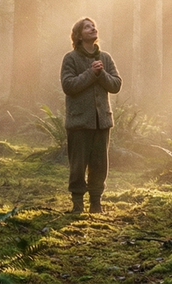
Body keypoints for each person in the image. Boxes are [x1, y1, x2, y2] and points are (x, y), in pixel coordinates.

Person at [61, 17, 122, 214]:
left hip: (102, 121)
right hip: (79, 122)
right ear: (78, 35)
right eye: (87, 27)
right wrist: (90, 73)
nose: (92, 28)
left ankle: (96, 204)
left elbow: (116, 85)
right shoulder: (70, 59)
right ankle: (77, 204)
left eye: (93, 26)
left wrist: (100, 74)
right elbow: (68, 86)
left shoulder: (106, 58)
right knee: (78, 166)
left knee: (99, 165)